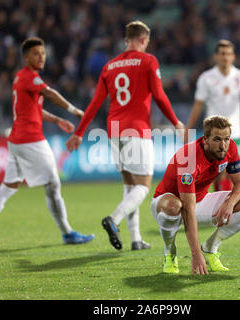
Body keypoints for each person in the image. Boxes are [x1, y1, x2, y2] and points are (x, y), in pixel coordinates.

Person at [66, 21, 185, 251]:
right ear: (143, 40)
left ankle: (135, 239)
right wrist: (176, 121)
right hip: (137, 130)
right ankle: (114, 219)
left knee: (130, 185)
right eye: (147, 42)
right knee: (143, 186)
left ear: (126, 40)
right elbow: (159, 96)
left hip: (114, 131)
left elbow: (95, 103)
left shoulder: (109, 66)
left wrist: (79, 132)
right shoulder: (148, 60)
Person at [0, 37, 94, 247]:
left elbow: (34, 109)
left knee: (10, 185)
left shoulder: (22, 79)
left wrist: (56, 119)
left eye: (43, 53)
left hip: (17, 141)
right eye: (36, 54)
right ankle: (68, 233)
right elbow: (50, 93)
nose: (41, 57)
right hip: (30, 140)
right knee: (53, 183)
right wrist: (72, 110)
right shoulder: (29, 77)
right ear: (26, 57)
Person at [151, 115, 240, 274]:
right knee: (175, 206)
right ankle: (170, 253)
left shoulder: (230, 148)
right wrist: (196, 254)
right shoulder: (189, 158)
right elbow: (187, 209)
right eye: (217, 139)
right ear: (205, 139)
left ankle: (211, 247)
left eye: (226, 139)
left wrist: (229, 204)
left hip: (199, 201)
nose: (223, 145)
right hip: (167, 204)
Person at [185, 39, 240, 191]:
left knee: (229, 171)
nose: (226, 57)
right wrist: (189, 127)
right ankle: (218, 205)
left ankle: (223, 207)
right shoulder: (206, 78)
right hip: (213, 133)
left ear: (233, 57)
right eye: (223, 53)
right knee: (218, 172)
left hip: (234, 132)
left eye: (229, 54)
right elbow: (198, 104)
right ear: (216, 56)